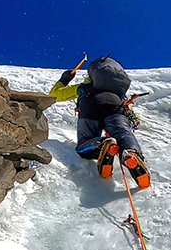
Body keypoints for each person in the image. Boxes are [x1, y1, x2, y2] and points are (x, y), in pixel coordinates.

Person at [50, 56, 150, 188]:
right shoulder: (119, 93)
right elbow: (131, 116)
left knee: (86, 141)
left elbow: (54, 95)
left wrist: (64, 80)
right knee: (123, 133)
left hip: (90, 105)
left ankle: (103, 144)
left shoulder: (84, 87)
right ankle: (131, 153)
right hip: (116, 105)